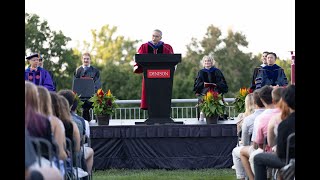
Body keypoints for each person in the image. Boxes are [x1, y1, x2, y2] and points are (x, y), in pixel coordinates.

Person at [133, 29, 174, 110]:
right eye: (153, 36)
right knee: (149, 96)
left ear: (161, 37)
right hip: (149, 76)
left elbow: (173, 61)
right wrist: (137, 66)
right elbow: (138, 60)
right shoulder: (144, 46)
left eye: (156, 36)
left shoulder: (167, 47)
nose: (154, 38)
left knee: (162, 96)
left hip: (163, 77)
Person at [74, 52, 102, 120]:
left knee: (98, 103)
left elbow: (97, 83)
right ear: (82, 59)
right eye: (84, 59)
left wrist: (93, 93)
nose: (86, 60)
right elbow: (75, 84)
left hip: (92, 96)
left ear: (90, 60)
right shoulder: (78, 71)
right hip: (81, 96)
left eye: (87, 59)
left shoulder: (95, 71)